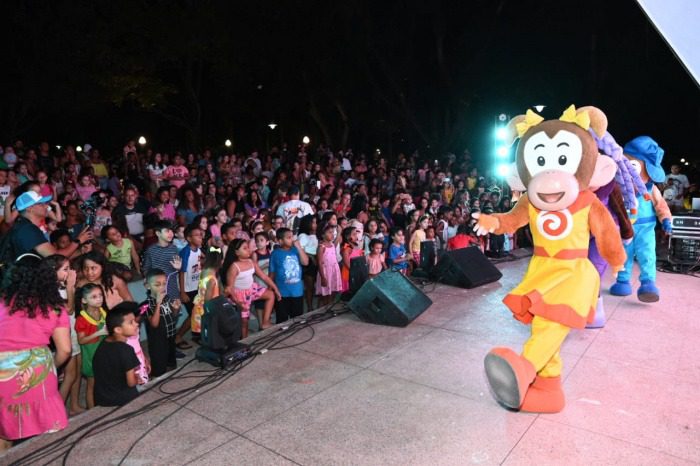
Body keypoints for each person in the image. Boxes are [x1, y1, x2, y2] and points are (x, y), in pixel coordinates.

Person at [0, 254, 71, 451]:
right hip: (36, 368)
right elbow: (65, 350)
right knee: (44, 432)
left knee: (5, 429)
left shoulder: (2, 304)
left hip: (2, 371)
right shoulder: (54, 307)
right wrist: (52, 368)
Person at [223, 239, 281, 338]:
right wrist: (238, 303)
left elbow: (264, 277)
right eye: (245, 248)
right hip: (239, 295)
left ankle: (265, 322)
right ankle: (245, 342)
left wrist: (275, 289)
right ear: (237, 252)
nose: (249, 250)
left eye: (248, 247)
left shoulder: (251, 262)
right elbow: (230, 289)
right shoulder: (234, 267)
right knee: (244, 322)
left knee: (270, 295)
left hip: (251, 289)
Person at [8, 191, 92, 258]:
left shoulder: (25, 226)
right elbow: (54, 257)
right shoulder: (27, 229)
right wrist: (78, 240)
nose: (46, 206)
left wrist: (80, 251)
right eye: (41, 204)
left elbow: (52, 258)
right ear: (29, 208)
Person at [93, 303, 142, 406]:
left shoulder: (103, 344)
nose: (136, 324)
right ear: (118, 330)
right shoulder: (126, 350)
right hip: (122, 399)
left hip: (102, 398)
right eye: (131, 322)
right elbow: (131, 382)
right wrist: (137, 378)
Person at [74, 283, 108, 409]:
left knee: (103, 381)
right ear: (84, 300)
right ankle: (92, 411)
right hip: (91, 355)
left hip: (103, 351)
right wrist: (99, 332)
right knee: (91, 384)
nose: (99, 298)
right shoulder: (82, 319)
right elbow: (81, 340)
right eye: (94, 297)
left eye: (100, 295)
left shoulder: (102, 312)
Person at [144, 269, 182, 377]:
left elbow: (172, 316)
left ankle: (170, 373)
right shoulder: (147, 304)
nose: (162, 287)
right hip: (158, 340)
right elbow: (154, 324)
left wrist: (175, 309)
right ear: (147, 286)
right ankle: (156, 374)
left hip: (170, 335)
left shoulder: (167, 298)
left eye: (164, 284)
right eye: (157, 285)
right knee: (159, 364)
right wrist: (158, 304)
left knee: (171, 361)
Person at [269, 228, 309, 323]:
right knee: (282, 320)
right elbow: (272, 273)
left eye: (292, 237)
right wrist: (271, 289)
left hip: (297, 291)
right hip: (282, 293)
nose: (292, 240)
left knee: (297, 318)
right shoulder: (275, 254)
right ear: (280, 241)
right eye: (288, 238)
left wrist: (299, 247)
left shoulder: (296, 250)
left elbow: (305, 262)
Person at [177, 224, 203, 349]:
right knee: (194, 314)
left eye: (201, 235)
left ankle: (197, 335)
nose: (200, 238)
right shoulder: (185, 252)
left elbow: (202, 258)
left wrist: (217, 250)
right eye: (197, 235)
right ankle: (178, 336)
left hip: (196, 286)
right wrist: (182, 292)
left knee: (198, 313)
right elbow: (181, 273)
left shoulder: (198, 249)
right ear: (188, 238)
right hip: (188, 289)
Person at [142, 220, 183, 300]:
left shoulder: (174, 249)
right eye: (167, 231)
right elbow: (146, 269)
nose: (171, 233)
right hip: (157, 290)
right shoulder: (151, 250)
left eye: (172, 231)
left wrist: (178, 268)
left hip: (172, 288)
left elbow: (178, 270)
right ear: (158, 233)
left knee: (175, 310)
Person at [190, 247, 224, 340]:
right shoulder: (212, 280)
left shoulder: (204, 272)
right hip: (206, 311)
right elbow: (208, 300)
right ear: (221, 261)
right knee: (210, 336)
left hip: (199, 308)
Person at [315, 224, 343, 306]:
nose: (332, 234)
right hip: (325, 273)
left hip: (333, 272)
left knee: (332, 292)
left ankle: (328, 308)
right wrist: (323, 277)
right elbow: (319, 263)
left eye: (333, 232)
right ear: (322, 234)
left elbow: (336, 241)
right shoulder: (321, 247)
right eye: (329, 232)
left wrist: (339, 232)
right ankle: (320, 310)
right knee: (324, 294)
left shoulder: (332, 245)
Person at [297, 214, 318, 311]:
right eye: (313, 222)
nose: (315, 224)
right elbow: (301, 250)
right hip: (309, 263)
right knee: (309, 286)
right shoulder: (303, 236)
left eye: (315, 222)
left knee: (314, 286)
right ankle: (309, 307)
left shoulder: (315, 235)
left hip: (316, 262)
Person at [340, 226, 363, 292]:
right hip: (349, 273)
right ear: (347, 237)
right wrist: (355, 272)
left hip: (355, 272)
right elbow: (347, 263)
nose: (356, 236)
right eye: (354, 234)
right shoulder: (346, 249)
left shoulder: (356, 246)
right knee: (349, 291)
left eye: (356, 234)